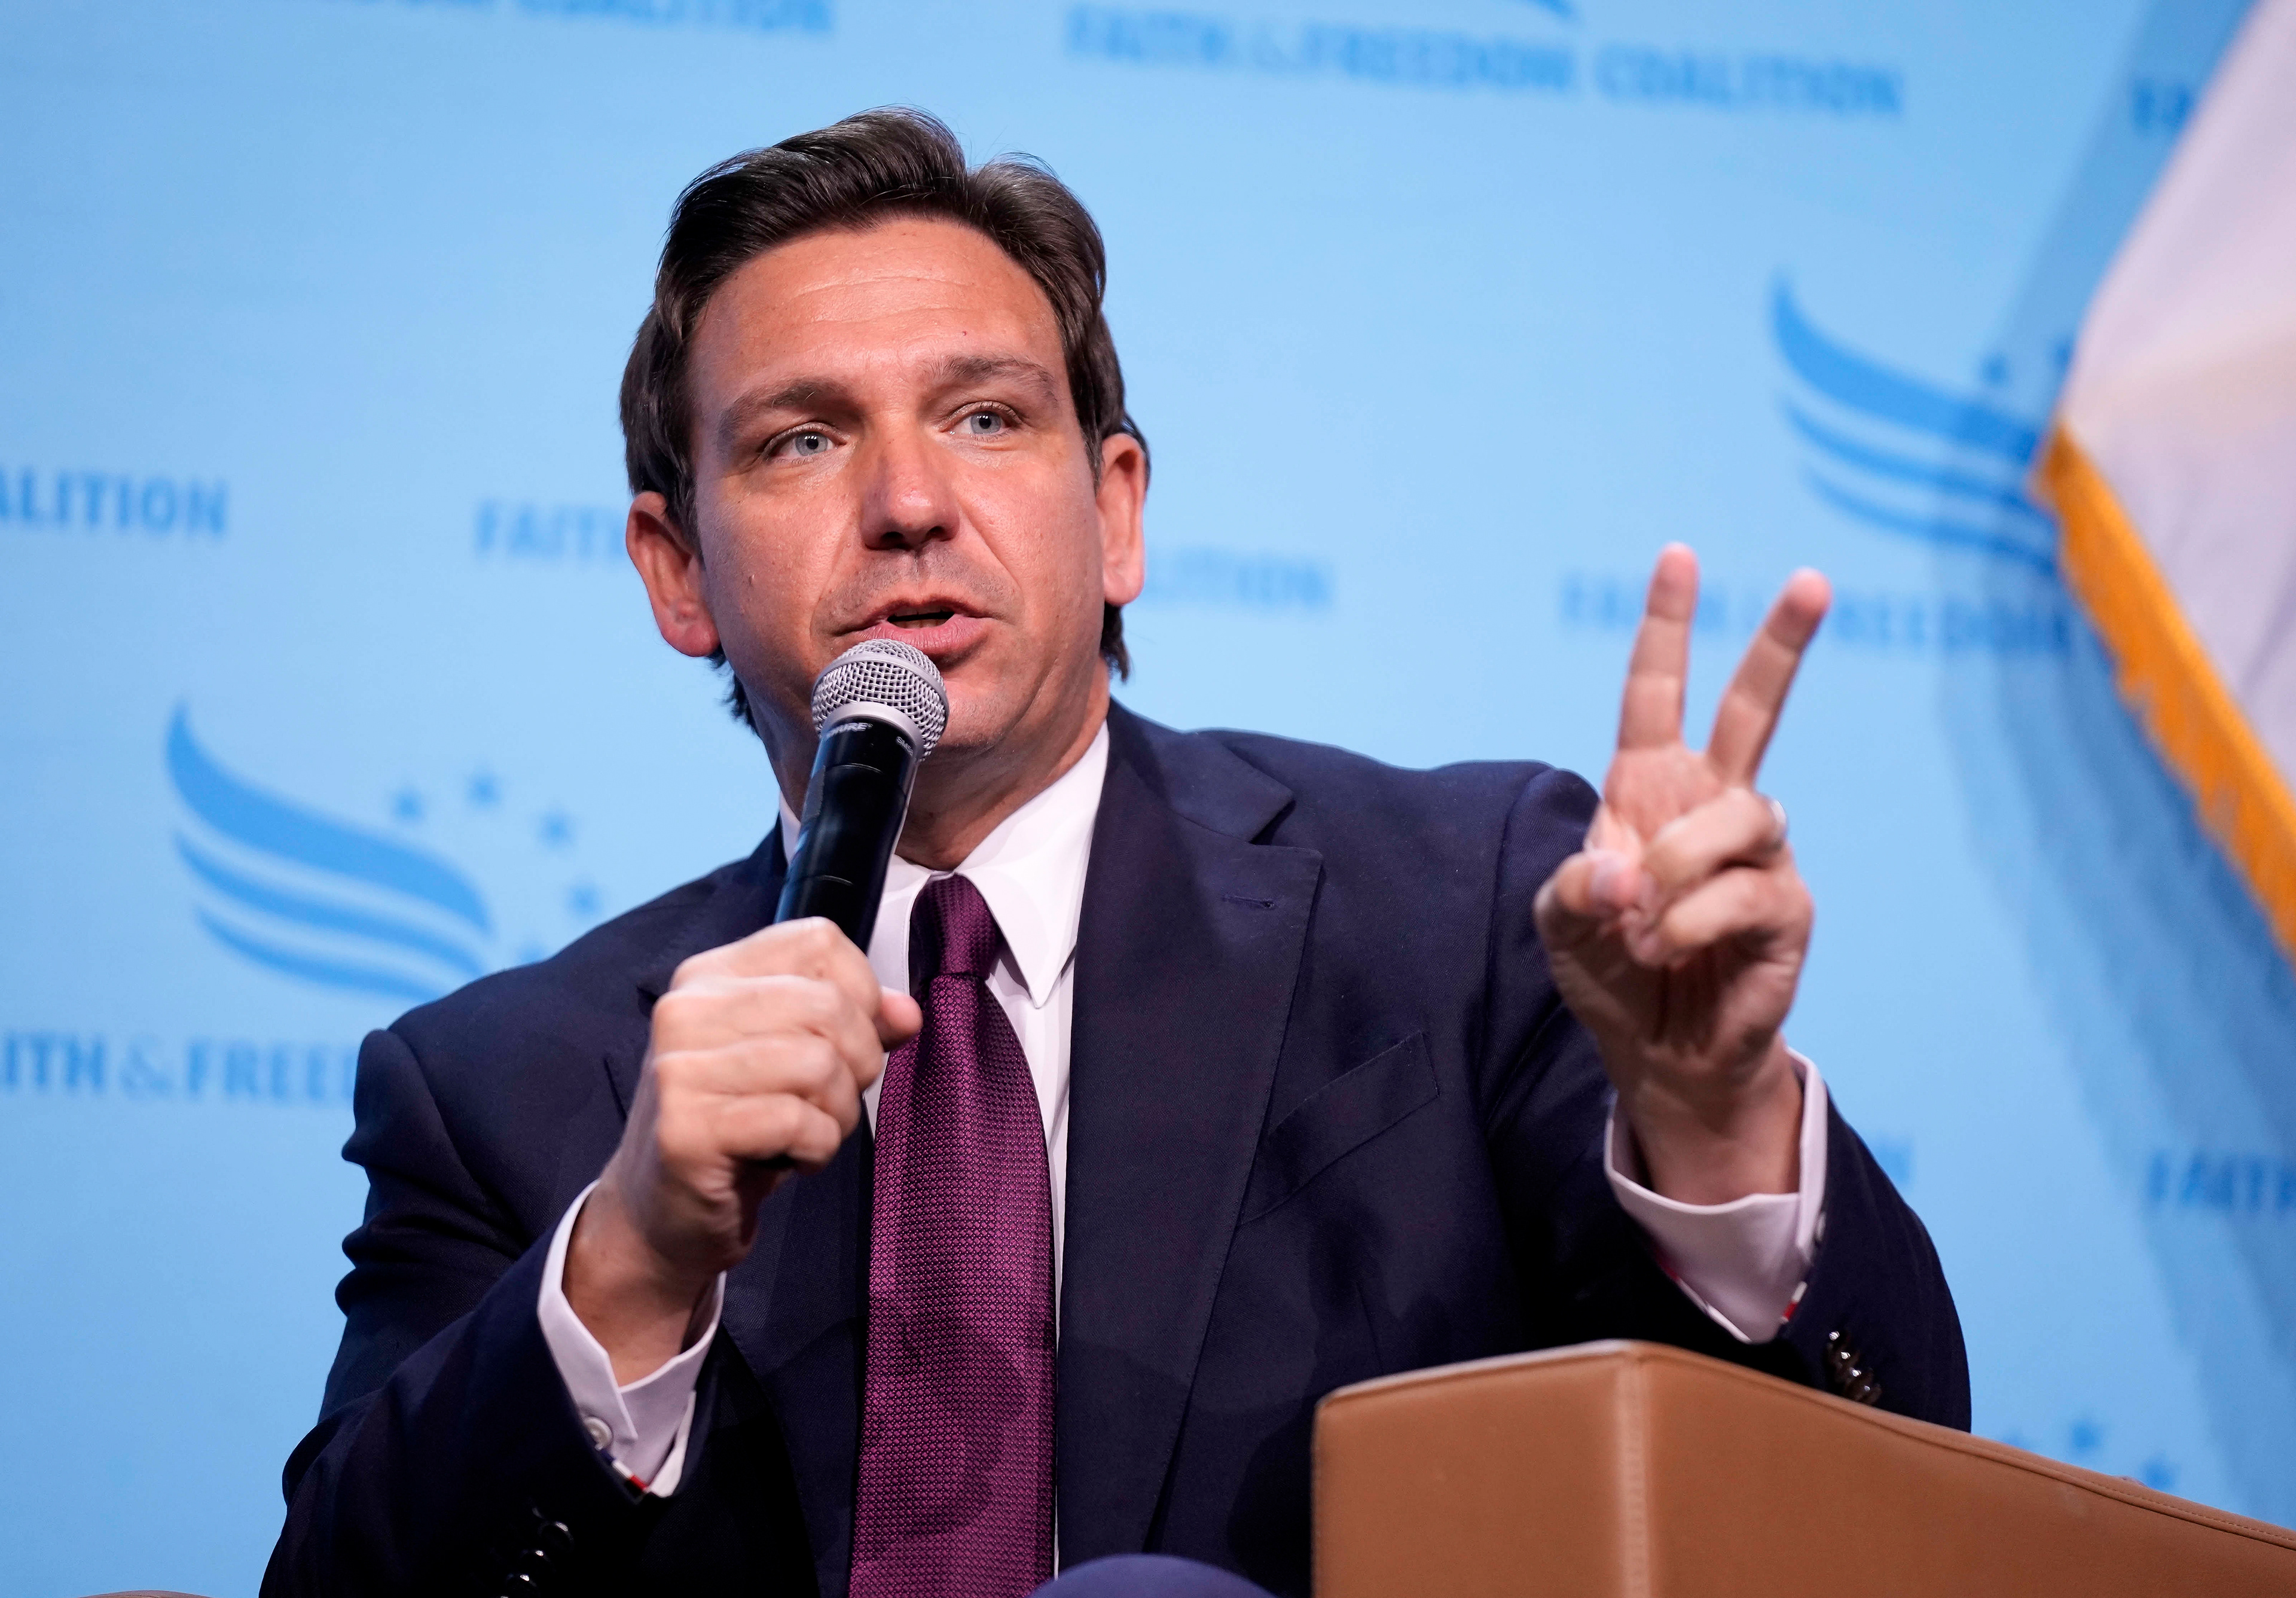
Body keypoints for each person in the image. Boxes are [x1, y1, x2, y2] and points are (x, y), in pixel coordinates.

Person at [263, 109, 1965, 1598]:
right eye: (802, 439)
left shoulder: (1466, 916)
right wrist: (632, 1255)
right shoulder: (500, 1094)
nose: (911, 503)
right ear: (676, 571)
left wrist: (1714, 1121)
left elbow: (1870, 1498)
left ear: (1121, 509)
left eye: (989, 418)